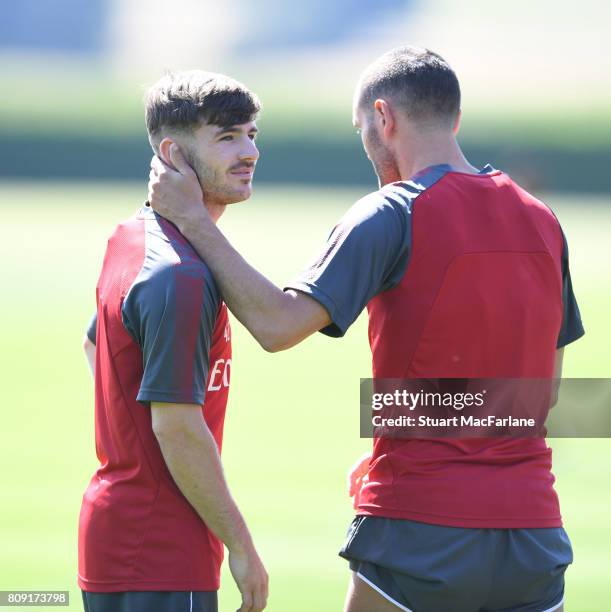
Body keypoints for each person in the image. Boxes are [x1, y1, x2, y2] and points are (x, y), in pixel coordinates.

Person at [147, 47, 584, 612]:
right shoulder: (543, 219)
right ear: (453, 119)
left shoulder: (392, 211)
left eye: (361, 130)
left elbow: (278, 326)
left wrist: (193, 221)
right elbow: (543, 396)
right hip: (534, 537)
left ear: (384, 118)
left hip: (418, 529)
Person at [79, 70, 268, 612]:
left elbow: (96, 347)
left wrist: (132, 441)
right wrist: (241, 546)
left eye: (252, 134)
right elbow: (176, 425)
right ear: (174, 153)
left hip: (118, 538)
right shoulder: (180, 275)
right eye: (227, 136)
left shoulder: (130, 237)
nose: (250, 151)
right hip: (162, 549)